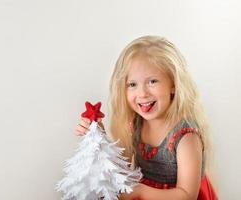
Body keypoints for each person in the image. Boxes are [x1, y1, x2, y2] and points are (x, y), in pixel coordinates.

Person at [75, 35, 218, 200]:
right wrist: (98, 136)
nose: (142, 93)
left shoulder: (186, 136)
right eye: (132, 84)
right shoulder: (135, 123)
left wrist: (141, 191)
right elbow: (122, 168)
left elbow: (187, 195)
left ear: (173, 84)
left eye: (152, 81)